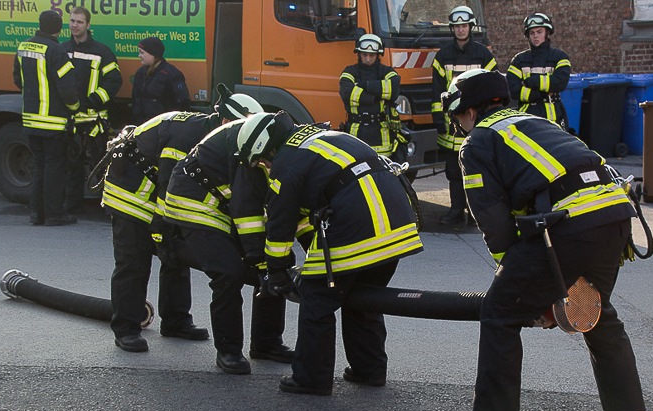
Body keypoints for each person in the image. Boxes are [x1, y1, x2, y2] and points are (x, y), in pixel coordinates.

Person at [441, 69, 647, 411]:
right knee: (595, 311)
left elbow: (492, 219)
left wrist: (514, 282)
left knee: (500, 313)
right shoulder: (534, 121)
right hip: (615, 214)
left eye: (457, 117)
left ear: (467, 110)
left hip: (570, 224)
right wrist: (538, 288)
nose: (458, 125)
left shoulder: (479, 141)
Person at [237, 111, 423, 395]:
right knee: (363, 296)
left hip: (358, 226)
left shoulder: (286, 162)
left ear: (268, 146)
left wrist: (276, 272)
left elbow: (279, 223)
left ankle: (311, 378)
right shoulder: (325, 137)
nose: (263, 166)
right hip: (398, 224)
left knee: (317, 296)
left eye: (261, 159)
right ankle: (369, 369)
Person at [103, 88, 264, 353]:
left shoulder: (216, 137)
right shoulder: (188, 134)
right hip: (130, 192)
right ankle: (126, 329)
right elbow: (169, 184)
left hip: (156, 192)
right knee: (134, 260)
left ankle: (175, 321)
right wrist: (160, 228)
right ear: (226, 121)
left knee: (174, 256)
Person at [164, 109, 298, 375]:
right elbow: (247, 212)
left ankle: (267, 343)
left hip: (226, 203)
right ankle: (228, 351)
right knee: (228, 272)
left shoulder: (274, 143)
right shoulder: (252, 151)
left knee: (279, 264)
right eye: (263, 161)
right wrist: (258, 260)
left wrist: (272, 264)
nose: (267, 165)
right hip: (194, 201)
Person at [13, 10, 80, 226]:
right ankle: (54, 214)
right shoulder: (57, 51)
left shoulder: (24, 47)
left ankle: (36, 214)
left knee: (40, 166)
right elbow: (67, 88)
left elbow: (17, 78)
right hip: (52, 121)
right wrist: (75, 108)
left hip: (30, 119)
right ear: (58, 28)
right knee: (54, 167)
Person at [431, 5, 497, 226]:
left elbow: (492, 88)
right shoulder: (443, 56)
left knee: (478, 170)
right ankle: (456, 211)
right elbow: (436, 91)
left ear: (470, 27)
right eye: (457, 26)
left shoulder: (483, 54)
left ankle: (476, 214)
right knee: (453, 171)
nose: (461, 30)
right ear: (452, 29)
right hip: (452, 124)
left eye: (464, 26)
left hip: (477, 122)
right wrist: (438, 119)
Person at [62, 6, 123, 214]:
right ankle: (72, 207)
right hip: (71, 121)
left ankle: (108, 209)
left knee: (101, 166)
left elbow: (114, 81)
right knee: (71, 167)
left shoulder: (102, 52)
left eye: (79, 22)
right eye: (71, 21)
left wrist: (94, 100)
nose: (74, 25)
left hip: (95, 121)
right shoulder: (62, 50)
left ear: (88, 25)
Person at [339, 33, 404, 159]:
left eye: (372, 55)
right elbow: (347, 93)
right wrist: (376, 97)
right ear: (358, 54)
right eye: (364, 55)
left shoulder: (387, 71)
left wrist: (363, 85)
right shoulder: (349, 71)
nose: (368, 58)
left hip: (382, 134)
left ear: (378, 55)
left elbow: (394, 89)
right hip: (356, 132)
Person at [506, 13, 571, 128]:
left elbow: (559, 82)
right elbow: (514, 90)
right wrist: (542, 93)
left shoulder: (560, 57)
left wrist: (531, 82)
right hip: (526, 118)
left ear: (547, 33)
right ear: (528, 35)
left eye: (539, 32)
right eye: (532, 33)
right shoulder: (519, 60)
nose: (535, 36)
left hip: (554, 117)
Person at [131, 36, 190, 124]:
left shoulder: (171, 74)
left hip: (163, 127)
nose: (139, 56)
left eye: (142, 53)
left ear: (153, 55)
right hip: (142, 126)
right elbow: (135, 99)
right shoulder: (140, 72)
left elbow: (182, 103)